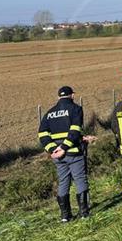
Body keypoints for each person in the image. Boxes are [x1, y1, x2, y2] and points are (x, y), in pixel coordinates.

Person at [38, 86, 96, 222]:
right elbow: (75, 130)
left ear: (58, 97)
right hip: (74, 152)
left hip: (58, 156)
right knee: (80, 180)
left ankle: (65, 216)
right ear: (72, 95)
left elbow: (42, 134)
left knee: (63, 182)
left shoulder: (49, 113)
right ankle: (84, 214)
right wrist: (64, 147)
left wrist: (53, 149)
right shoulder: (76, 109)